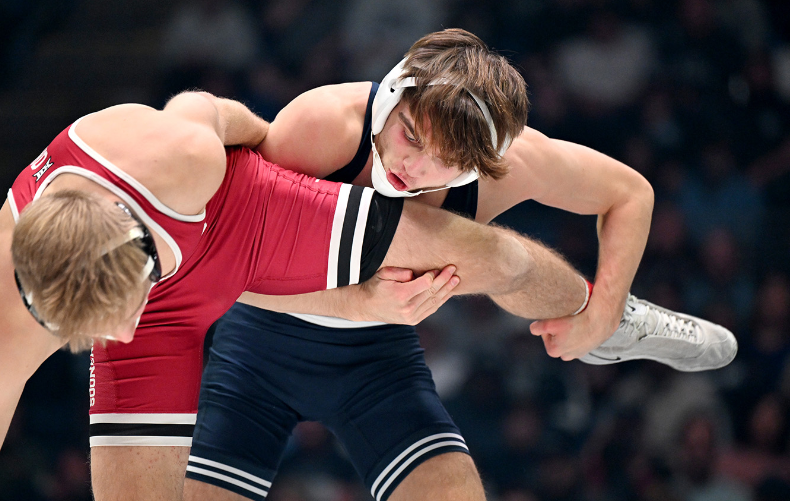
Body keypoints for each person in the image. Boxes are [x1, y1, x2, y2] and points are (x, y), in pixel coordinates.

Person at [0, 88, 597, 500]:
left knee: (488, 252)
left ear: (139, 245)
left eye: (122, 310)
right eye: (103, 330)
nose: (123, 333)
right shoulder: (7, 319)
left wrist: (287, 167)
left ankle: (602, 312)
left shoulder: (176, 154)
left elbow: (233, 125)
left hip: (240, 209)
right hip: (180, 261)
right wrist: (353, 302)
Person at [184, 29, 738, 501]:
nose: (412, 166)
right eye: (411, 135)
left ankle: (611, 317)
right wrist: (354, 301)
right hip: (256, 351)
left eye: (445, 162)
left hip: (374, 362)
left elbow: (630, 193)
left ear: (478, 163)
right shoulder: (324, 125)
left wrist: (606, 306)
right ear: (393, 97)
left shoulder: (508, 164)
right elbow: (223, 263)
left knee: (510, 258)